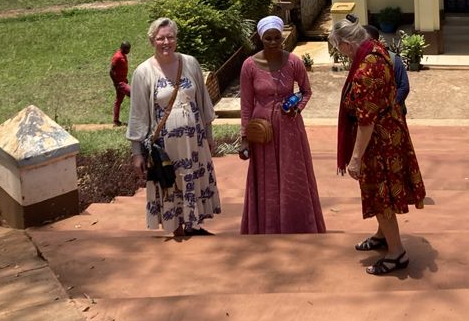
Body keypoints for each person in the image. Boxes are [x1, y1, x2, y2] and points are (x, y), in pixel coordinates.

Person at [332, 17, 426, 275]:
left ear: (347, 44)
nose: (339, 52)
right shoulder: (377, 49)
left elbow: (366, 121)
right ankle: (382, 235)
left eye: (338, 46)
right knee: (382, 193)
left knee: (380, 194)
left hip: (378, 143)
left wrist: (355, 158)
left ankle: (397, 253)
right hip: (391, 131)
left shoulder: (365, 71)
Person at [127, 18, 221, 237]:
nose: (166, 42)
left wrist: (208, 135)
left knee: (192, 177)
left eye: (170, 37)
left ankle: (192, 224)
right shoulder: (143, 72)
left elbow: (203, 101)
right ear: (152, 41)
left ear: (176, 39)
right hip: (165, 146)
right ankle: (176, 226)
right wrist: (137, 153)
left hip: (194, 141)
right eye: (160, 38)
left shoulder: (190, 63)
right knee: (171, 181)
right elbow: (138, 115)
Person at [238, 16, 325, 234]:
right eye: (268, 38)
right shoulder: (249, 66)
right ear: (261, 39)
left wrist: (297, 108)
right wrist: (245, 137)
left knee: (292, 174)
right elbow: (246, 104)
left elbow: (306, 91)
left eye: (277, 37)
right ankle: (267, 226)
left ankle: (297, 223)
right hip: (262, 129)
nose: (273, 42)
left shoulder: (294, 62)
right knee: (265, 177)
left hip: (289, 127)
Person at [365, 25, 410, 115]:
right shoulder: (360, 61)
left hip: (392, 115)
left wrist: (389, 107)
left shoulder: (393, 59)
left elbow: (403, 87)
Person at [110, 41, 132, 126]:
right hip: (120, 83)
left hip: (123, 81)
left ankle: (116, 121)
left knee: (118, 101)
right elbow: (111, 71)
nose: (129, 51)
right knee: (134, 95)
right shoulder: (117, 56)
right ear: (123, 48)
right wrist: (116, 83)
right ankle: (136, 118)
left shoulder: (123, 55)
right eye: (128, 49)